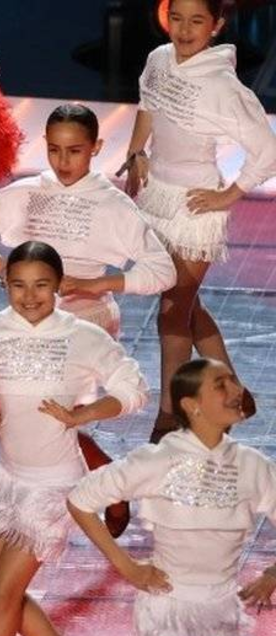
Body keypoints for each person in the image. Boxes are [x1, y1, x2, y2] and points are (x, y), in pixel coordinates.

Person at [0, 241, 147, 636]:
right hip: (9, 481)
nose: (29, 296)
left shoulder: (81, 336)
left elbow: (133, 388)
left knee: (2, 594)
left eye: (41, 285)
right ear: (5, 285)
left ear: (58, 286)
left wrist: (83, 414)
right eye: (19, 285)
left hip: (55, 486)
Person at [0, 102, 177, 537]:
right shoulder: (28, 192)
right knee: (17, 410)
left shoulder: (112, 205)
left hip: (84, 323)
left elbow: (162, 271)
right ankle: (107, 484)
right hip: (29, 318)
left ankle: (96, 489)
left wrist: (95, 283)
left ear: (96, 147)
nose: (63, 161)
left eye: (74, 151)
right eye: (54, 150)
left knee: (45, 417)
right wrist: (4, 271)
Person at [120, 0, 276, 442]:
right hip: (157, 199)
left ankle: (169, 415)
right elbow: (147, 103)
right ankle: (233, 391)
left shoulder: (221, 86)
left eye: (197, 21)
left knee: (173, 310)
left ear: (216, 25)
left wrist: (229, 194)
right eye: (178, 18)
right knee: (187, 306)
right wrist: (136, 153)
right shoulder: (158, 59)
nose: (185, 29)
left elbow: (268, 149)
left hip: (195, 209)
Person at [69, 358, 276, 636]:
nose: (236, 391)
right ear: (192, 405)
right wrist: (127, 568)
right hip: (167, 605)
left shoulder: (253, 465)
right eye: (221, 385)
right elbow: (80, 499)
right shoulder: (158, 460)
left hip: (220, 607)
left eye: (234, 381)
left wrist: (272, 574)